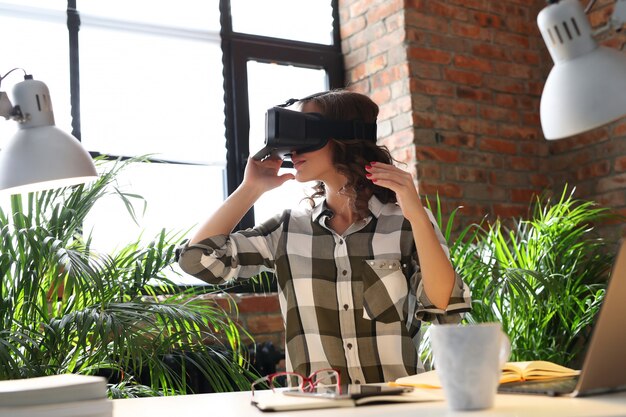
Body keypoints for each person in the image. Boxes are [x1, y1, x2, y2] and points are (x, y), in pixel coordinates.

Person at [177, 89, 471, 384]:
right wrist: (250, 189)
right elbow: (198, 260)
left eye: (304, 133)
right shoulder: (287, 230)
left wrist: (418, 216)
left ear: (343, 137)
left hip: (395, 407)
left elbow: (444, 307)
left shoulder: (406, 224)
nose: (293, 150)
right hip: (316, 409)